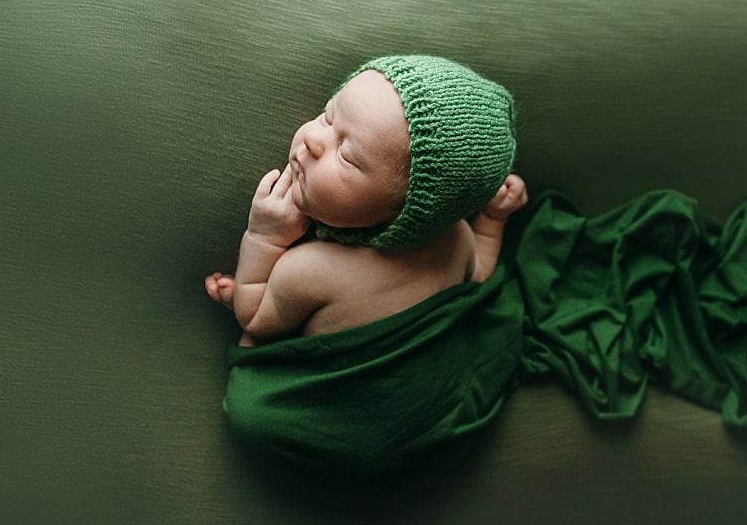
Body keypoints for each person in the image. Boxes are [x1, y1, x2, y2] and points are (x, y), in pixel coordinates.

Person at [205, 55, 526, 347]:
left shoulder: (311, 269)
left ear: (404, 211)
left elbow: (255, 320)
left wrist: (265, 238)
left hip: (345, 394)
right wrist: (493, 221)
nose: (314, 140)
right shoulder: (459, 242)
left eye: (346, 155)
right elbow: (480, 276)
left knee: (250, 347)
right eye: (328, 116)